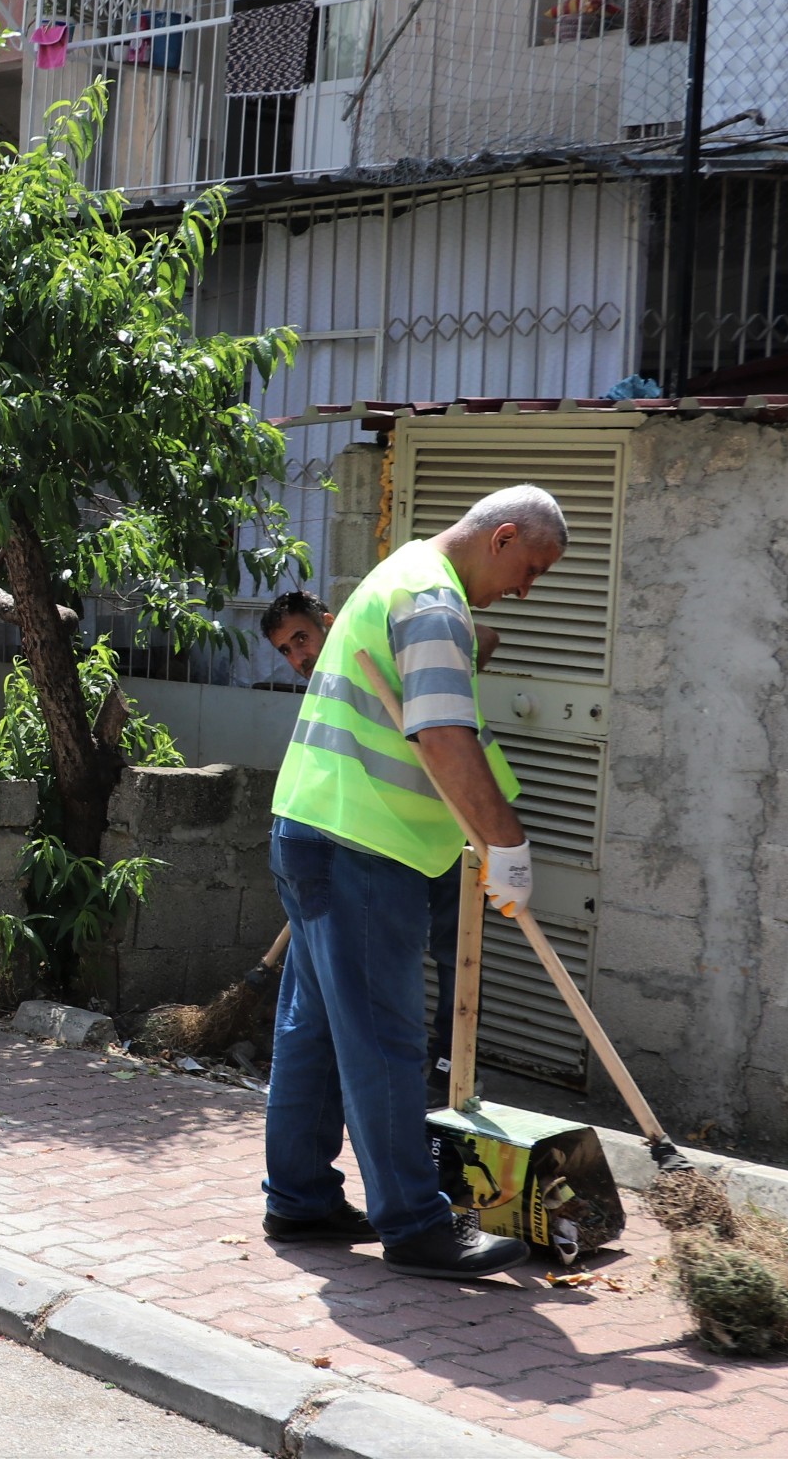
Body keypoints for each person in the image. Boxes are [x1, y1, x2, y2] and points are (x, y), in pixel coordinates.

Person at [264, 484, 566, 1280]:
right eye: (531, 568)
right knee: (387, 1042)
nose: (529, 588)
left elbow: (437, 708)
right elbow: (441, 736)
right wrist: (509, 844)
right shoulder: (433, 601)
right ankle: (415, 1224)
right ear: (501, 538)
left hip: (310, 828)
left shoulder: (402, 574)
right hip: (364, 847)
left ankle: (299, 1199)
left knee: (316, 1030)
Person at [262, 589, 503, 1106]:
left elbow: (486, 638)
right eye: (285, 650)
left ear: (329, 623)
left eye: (302, 638)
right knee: (407, 961)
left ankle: (450, 1066)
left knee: (456, 950)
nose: (298, 657)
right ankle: (432, 1074)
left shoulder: (378, 648)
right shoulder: (330, 689)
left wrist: (433, 664)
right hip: (392, 843)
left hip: (450, 828)